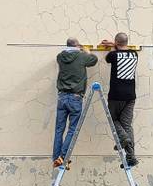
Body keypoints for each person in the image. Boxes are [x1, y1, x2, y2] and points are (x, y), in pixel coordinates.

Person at [52, 37, 98, 168]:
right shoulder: (81, 56)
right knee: (72, 129)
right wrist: (87, 51)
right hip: (75, 97)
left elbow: (67, 54)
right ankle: (63, 156)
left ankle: (56, 157)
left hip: (62, 97)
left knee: (59, 129)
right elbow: (94, 60)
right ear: (77, 45)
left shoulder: (60, 56)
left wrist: (79, 49)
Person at [102, 32, 139, 167]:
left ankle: (124, 140)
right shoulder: (135, 54)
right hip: (130, 96)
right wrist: (115, 44)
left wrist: (112, 46)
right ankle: (131, 157)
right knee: (127, 125)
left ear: (116, 42)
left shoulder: (113, 55)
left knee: (113, 119)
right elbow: (123, 50)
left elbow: (109, 58)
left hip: (116, 96)